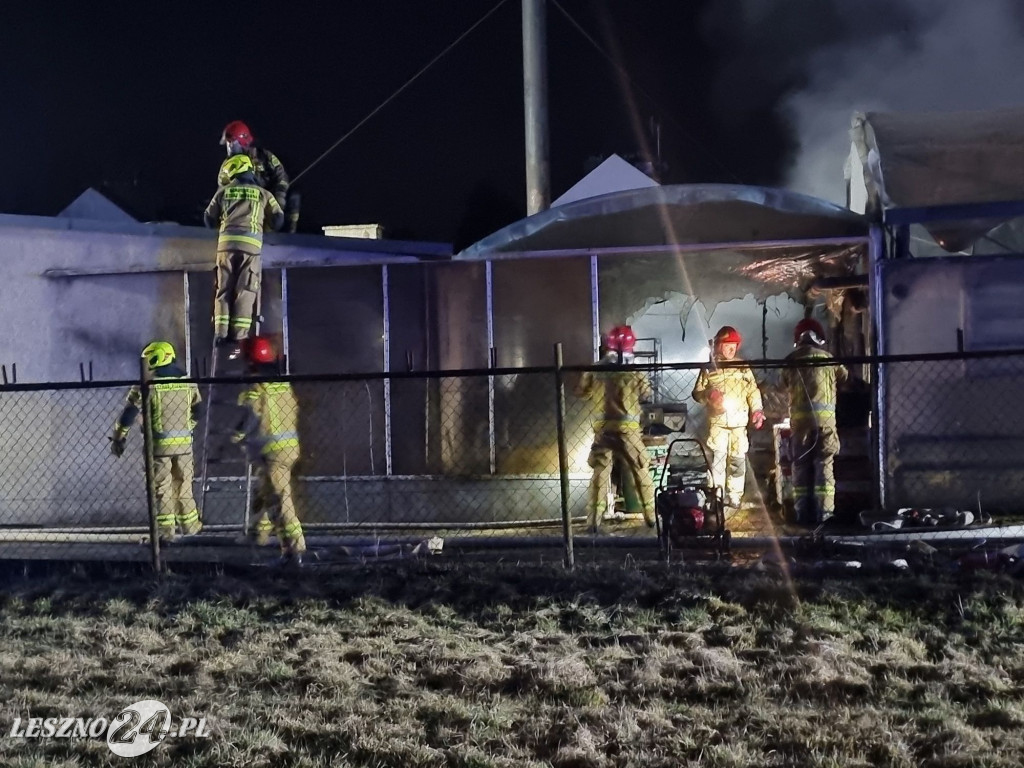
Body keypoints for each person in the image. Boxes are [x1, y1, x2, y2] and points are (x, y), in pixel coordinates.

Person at [110, 341, 203, 543]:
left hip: (159, 447)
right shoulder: (188, 381)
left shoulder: (147, 384)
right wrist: (188, 427)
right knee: (184, 487)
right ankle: (192, 531)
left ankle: (164, 535)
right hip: (185, 447)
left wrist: (119, 437)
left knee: (162, 490)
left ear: (154, 358)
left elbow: (128, 414)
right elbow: (199, 411)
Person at [232, 336, 306, 566]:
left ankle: (294, 549)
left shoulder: (255, 389)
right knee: (265, 490)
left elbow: (249, 416)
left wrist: (236, 435)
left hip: (271, 451)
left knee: (279, 498)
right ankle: (258, 533)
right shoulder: (282, 384)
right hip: (288, 448)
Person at [575, 325, 656, 532]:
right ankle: (652, 518)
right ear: (632, 345)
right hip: (628, 430)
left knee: (601, 473)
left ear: (608, 344)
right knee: (640, 470)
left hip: (603, 430)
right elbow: (646, 395)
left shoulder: (596, 369)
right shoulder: (636, 371)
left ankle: (593, 521)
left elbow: (582, 393)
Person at [204, 153, 284, 358]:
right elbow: (278, 219)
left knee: (223, 290)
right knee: (245, 291)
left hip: (225, 248)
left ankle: (220, 334)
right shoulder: (263, 194)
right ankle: (239, 338)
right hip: (251, 250)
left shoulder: (223, 193)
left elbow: (208, 218)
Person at [782, 318, 849, 525]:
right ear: (819, 338)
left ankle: (803, 513)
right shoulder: (828, 358)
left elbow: (783, 382)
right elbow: (844, 377)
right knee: (824, 465)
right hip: (826, 424)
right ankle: (825, 514)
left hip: (800, 425)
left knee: (801, 466)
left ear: (797, 339)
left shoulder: (790, 360)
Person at [691, 326, 764, 509]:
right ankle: (716, 494)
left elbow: (752, 391)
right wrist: (709, 394)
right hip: (718, 424)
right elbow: (697, 393)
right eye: (727, 345)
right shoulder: (709, 368)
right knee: (718, 460)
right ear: (718, 346)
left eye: (734, 345)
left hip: (739, 424)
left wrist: (757, 410)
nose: (732, 349)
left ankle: (735, 496)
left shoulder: (742, 367)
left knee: (738, 460)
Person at [219, 120, 298, 232]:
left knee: (294, 198)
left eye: (231, 142)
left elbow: (281, 177)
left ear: (242, 141)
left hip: (268, 199)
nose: (229, 147)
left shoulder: (264, 156)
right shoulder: (227, 165)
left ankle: (290, 236)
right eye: (228, 143)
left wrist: (279, 199)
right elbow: (221, 189)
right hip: (245, 204)